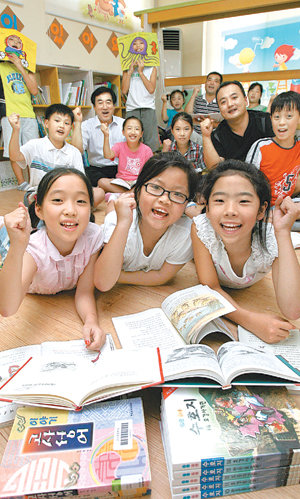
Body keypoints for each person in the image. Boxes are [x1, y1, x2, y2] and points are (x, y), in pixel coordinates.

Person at [191, 160, 300, 343]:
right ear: (207, 208)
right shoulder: (202, 228)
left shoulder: (272, 238)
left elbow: (292, 310)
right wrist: (251, 321)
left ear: (261, 210)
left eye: (243, 201)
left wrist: (282, 232)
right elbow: (211, 286)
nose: (230, 211)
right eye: (219, 200)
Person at [0, 168, 106, 351]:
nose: (71, 210)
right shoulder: (33, 248)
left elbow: (84, 292)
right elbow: (7, 308)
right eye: (58, 200)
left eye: (81, 201)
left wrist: (91, 322)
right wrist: (17, 246)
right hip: (11, 245)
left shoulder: (93, 236)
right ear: (39, 210)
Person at [94, 152, 197, 290]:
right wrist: (123, 224)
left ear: (187, 203)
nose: (164, 200)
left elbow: (162, 276)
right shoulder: (119, 223)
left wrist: (117, 276)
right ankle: (115, 202)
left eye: (178, 194)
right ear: (138, 190)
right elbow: (103, 282)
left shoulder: (186, 233)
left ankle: (115, 200)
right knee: (112, 214)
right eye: (155, 187)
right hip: (123, 218)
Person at [8, 103, 84, 204]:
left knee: (97, 193)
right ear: (46, 123)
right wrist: (16, 130)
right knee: (39, 198)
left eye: (66, 123)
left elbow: (80, 182)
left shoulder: (74, 152)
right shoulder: (35, 145)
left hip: (65, 195)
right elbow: (15, 156)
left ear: (70, 128)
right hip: (37, 192)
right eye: (57, 121)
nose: (61, 126)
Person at [200, 80, 274, 168]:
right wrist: (206, 136)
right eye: (223, 102)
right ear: (219, 109)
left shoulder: (265, 121)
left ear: (245, 100)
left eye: (234, 98)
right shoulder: (218, 135)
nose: (230, 104)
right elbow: (214, 168)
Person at [246, 91, 300, 206]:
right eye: (276, 117)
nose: (281, 122)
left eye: (289, 116)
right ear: (270, 119)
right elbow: (246, 184)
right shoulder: (261, 146)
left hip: (286, 206)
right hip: (261, 208)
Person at [0, 51, 39, 190]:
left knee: (32, 150)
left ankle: (33, 182)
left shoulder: (29, 70)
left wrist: (20, 66)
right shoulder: (1, 66)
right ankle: (21, 182)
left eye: (18, 41)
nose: (15, 42)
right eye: (11, 40)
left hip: (28, 113)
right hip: (9, 113)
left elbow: (34, 91)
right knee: (13, 149)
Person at [71, 87, 124, 187]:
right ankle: (127, 191)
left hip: (121, 168)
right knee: (100, 181)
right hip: (97, 169)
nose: (105, 107)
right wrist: (77, 122)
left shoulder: (124, 124)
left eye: (108, 102)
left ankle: (115, 189)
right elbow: (76, 151)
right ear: (94, 107)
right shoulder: (87, 125)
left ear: (113, 106)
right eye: (100, 103)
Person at [96, 116, 153, 202]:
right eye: (129, 128)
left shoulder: (147, 150)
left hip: (137, 182)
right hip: (122, 182)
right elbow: (108, 155)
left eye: (137, 129)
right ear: (123, 132)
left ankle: (120, 195)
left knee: (146, 185)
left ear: (141, 133)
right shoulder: (119, 146)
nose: (133, 132)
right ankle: (131, 194)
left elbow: (150, 171)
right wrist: (106, 136)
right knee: (101, 181)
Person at [122, 56, 159, 152]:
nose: (138, 46)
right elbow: (124, 90)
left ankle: (150, 165)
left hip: (148, 107)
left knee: (150, 142)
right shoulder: (127, 68)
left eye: (141, 43)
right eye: (135, 43)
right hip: (132, 108)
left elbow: (151, 89)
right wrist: (130, 72)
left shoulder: (152, 68)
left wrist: (141, 72)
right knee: (132, 141)